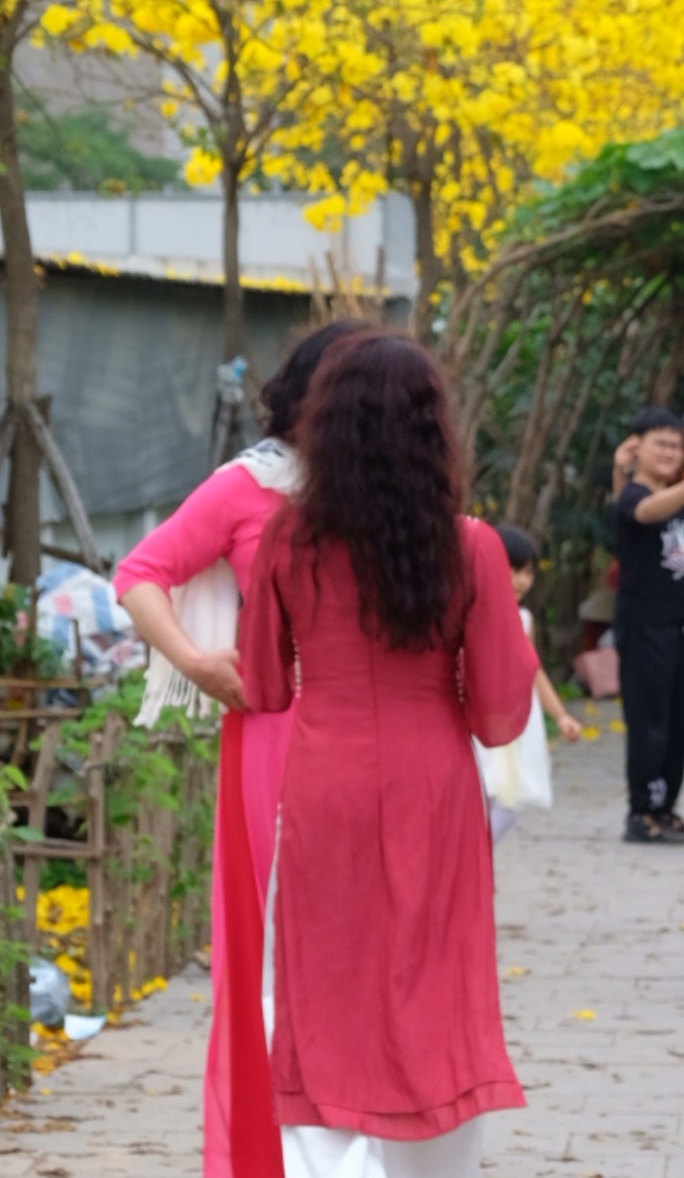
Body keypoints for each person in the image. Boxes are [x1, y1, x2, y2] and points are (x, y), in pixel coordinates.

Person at [236, 330, 538, 1178]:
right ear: (431, 429)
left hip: (326, 781)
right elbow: (500, 716)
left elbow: (262, 685)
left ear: (324, 427)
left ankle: (329, 1162)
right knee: (430, 982)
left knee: (325, 983)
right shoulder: (469, 545)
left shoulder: (288, 541)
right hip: (431, 785)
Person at [114, 318, 363, 1178]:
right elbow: (139, 574)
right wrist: (192, 659)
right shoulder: (247, 487)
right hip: (275, 732)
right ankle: (276, 1156)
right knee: (279, 954)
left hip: (376, 741)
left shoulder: (387, 488)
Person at [612, 406, 684, 844]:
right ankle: (642, 813)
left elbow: (678, 548)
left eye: (676, 445)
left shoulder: (673, 495)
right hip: (645, 628)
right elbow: (644, 512)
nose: (670, 452)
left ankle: (666, 808)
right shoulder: (636, 495)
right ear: (637, 448)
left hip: (682, 626)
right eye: (660, 443)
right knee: (649, 722)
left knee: (680, 722)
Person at [475, 526, 582, 840]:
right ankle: (470, 863)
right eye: (514, 570)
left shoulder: (524, 619)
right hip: (482, 716)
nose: (522, 580)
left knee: (510, 798)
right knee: (483, 789)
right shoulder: (473, 612)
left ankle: (475, 859)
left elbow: (532, 671)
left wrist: (560, 715)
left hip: (516, 717)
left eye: (528, 573)